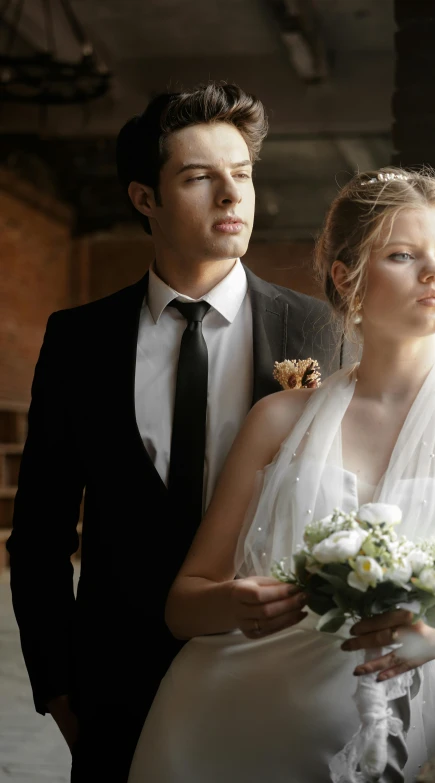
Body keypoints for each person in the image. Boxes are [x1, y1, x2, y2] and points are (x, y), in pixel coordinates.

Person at [6, 82, 341, 783]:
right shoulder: (79, 341)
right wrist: (59, 690)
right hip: (116, 686)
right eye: (199, 177)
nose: (232, 195)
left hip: (270, 673)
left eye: (242, 175)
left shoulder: (317, 329)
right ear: (144, 198)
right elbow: (39, 532)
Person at [128, 167, 435, 783]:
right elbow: (183, 606)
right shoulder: (279, 417)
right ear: (347, 276)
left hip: (393, 721)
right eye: (403, 255)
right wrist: (234, 600)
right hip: (221, 723)